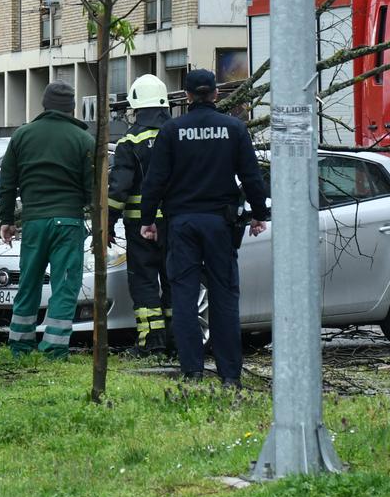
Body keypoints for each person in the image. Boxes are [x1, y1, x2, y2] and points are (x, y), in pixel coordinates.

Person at [138, 68, 269, 387]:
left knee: (183, 295)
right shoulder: (234, 129)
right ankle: (229, 375)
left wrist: (146, 220)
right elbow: (252, 177)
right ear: (215, 94)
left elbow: (154, 180)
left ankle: (193, 370)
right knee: (224, 296)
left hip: (181, 224)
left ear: (185, 96)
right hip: (220, 225)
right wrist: (258, 213)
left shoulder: (172, 130)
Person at [0, 81, 95, 360]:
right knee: (64, 285)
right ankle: (54, 348)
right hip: (68, 223)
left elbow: (7, 184)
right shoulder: (84, 140)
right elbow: (93, 189)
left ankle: (20, 346)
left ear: (43, 105)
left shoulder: (21, 136)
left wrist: (7, 220)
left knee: (28, 281)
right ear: (72, 107)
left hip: (33, 222)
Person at [108, 74, 173, 355]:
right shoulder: (177, 135)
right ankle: (177, 340)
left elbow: (118, 188)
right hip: (174, 223)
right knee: (174, 280)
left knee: (144, 281)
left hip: (140, 227)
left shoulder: (129, 141)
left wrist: (107, 223)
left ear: (136, 107)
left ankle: (151, 343)